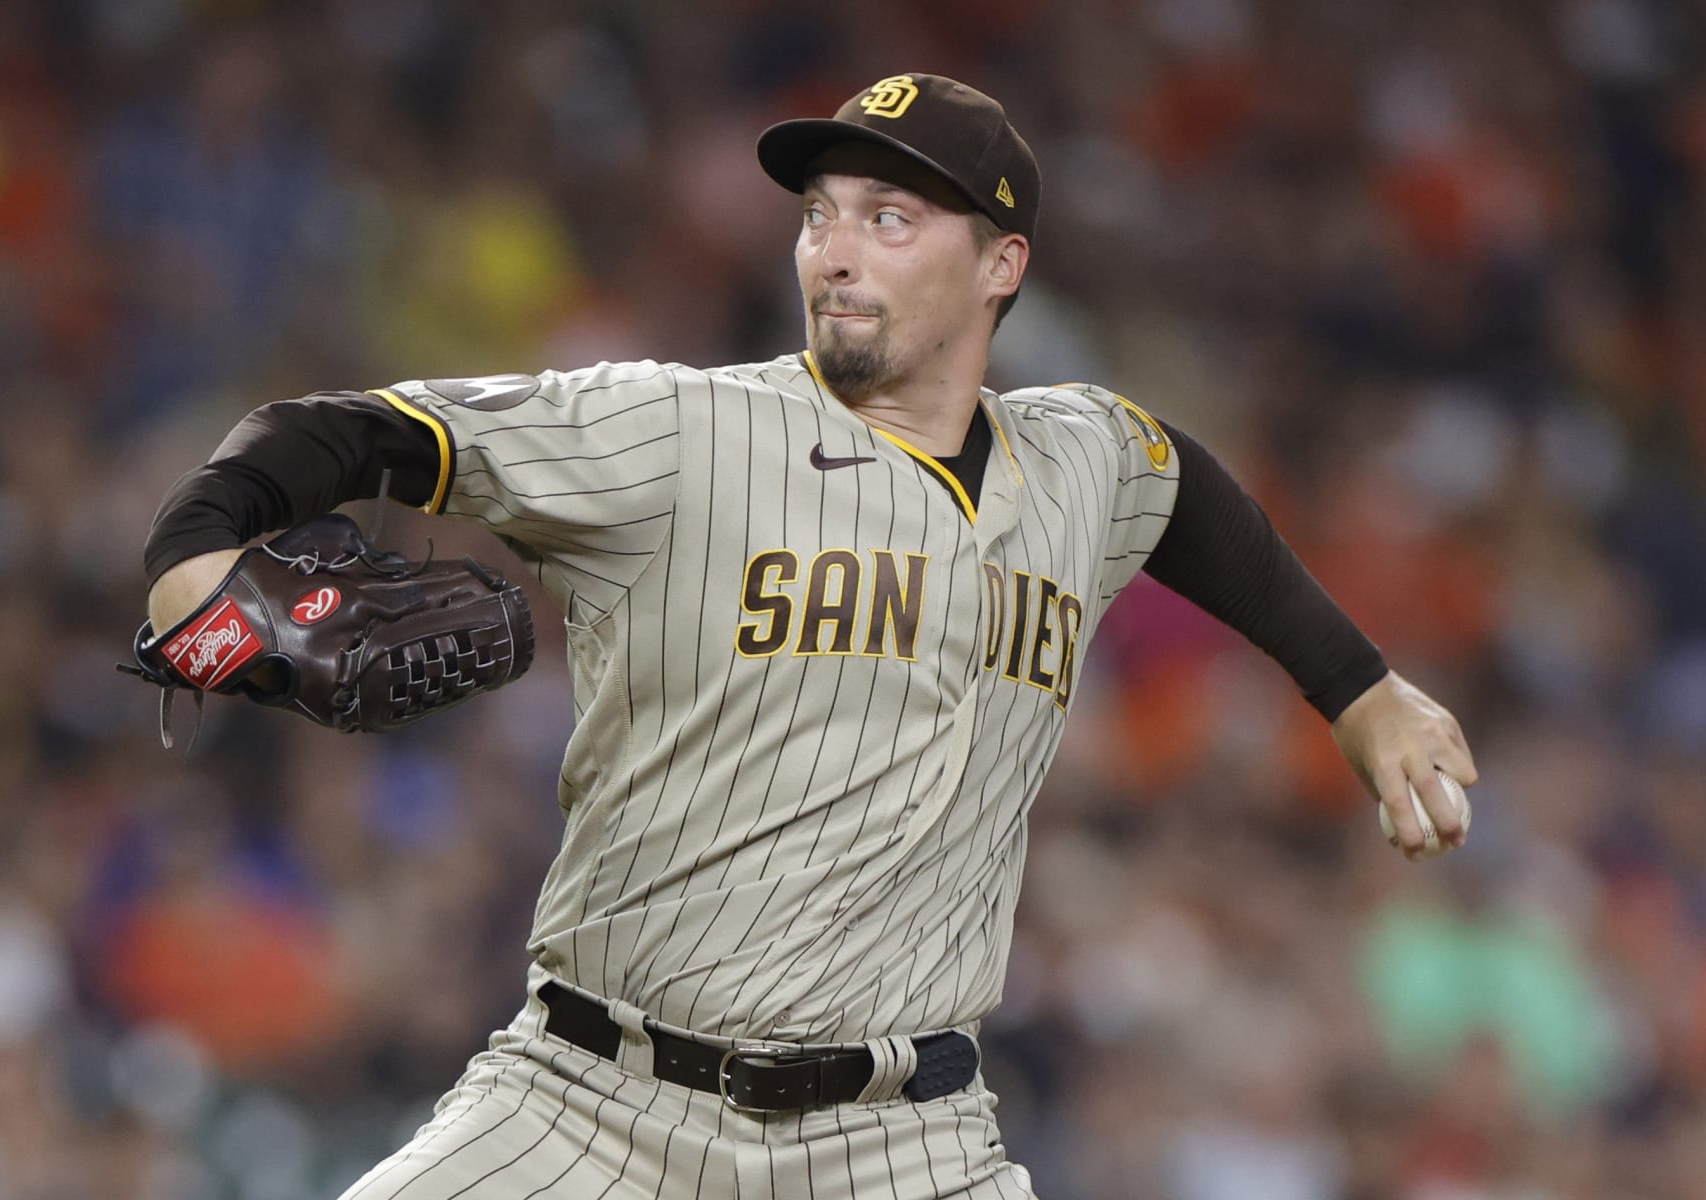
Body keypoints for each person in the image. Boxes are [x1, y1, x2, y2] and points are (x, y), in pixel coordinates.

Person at [143, 73, 1476, 1200]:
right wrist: (195, 598)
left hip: (905, 1143)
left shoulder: (1079, 463)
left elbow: (1181, 487)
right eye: (820, 216)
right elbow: (330, 435)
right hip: (589, 1113)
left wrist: (1358, 691)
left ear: (1001, 264)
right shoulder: (678, 431)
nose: (832, 249)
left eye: (889, 219)